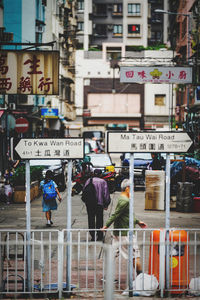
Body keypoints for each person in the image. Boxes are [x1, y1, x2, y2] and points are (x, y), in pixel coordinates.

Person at [101, 178, 147, 275]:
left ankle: (108, 276)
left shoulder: (123, 198)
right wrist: (106, 226)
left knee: (112, 255)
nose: (133, 190)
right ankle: (140, 277)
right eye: (132, 188)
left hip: (119, 232)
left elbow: (126, 215)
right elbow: (115, 214)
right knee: (135, 255)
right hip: (125, 233)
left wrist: (138, 222)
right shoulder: (125, 201)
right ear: (127, 188)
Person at [82, 168, 111, 241]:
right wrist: (106, 204)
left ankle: (92, 235)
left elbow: (84, 191)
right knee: (99, 220)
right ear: (101, 174)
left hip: (90, 203)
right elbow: (106, 194)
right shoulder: (103, 182)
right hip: (99, 204)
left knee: (91, 219)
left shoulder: (89, 180)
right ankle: (99, 235)